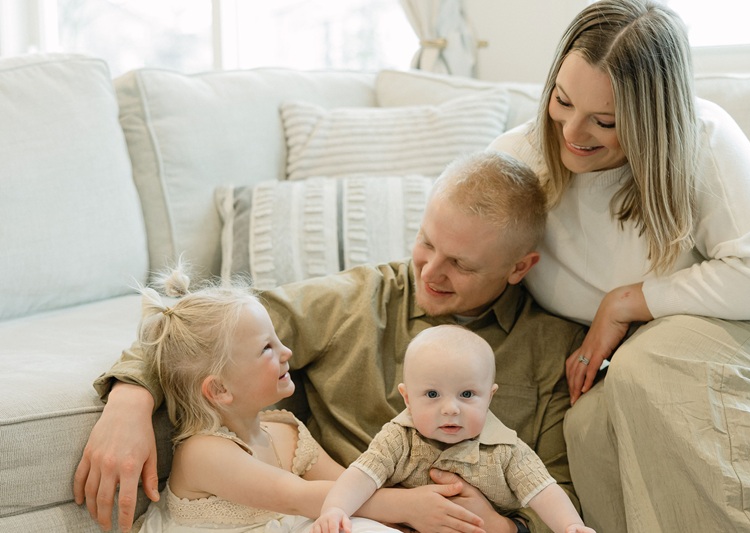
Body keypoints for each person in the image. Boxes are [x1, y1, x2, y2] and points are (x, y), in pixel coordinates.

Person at [74, 150, 588, 533]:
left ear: (520, 267)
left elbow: (560, 495)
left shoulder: (552, 348)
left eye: (461, 264)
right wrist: (130, 399)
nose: (431, 271)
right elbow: (203, 330)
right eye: (426, 243)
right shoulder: (355, 300)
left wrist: (502, 528)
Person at [490, 1, 750, 531]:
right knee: (586, 425)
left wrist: (629, 300)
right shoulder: (520, 159)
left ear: (653, 120)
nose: (572, 131)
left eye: (604, 121)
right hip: (637, 365)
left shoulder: (703, 137)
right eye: (562, 101)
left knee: (644, 362)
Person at [129, 267, 465, 532]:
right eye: (267, 348)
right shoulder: (202, 452)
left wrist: (409, 518)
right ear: (220, 390)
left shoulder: (287, 430)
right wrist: (408, 506)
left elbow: (351, 485)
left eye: (278, 339)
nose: (287, 352)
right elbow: (297, 497)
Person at [313, 325, 594, 533]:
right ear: (407, 398)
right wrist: (335, 508)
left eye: (467, 395)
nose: (450, 409)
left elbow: (543, 490)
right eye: (433, 395)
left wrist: (570, 525)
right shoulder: (399, 438)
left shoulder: (507, 449)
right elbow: (363, 475)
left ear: (490, 397)